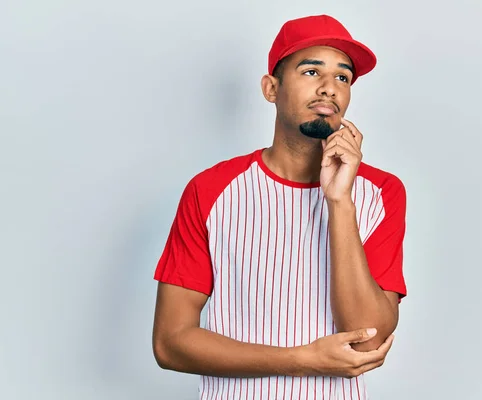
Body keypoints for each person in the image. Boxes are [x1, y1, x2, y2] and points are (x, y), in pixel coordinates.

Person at [152, 14, 408, 399]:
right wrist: (301, 359)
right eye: (310, 71)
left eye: (343, 77)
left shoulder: (381, 191)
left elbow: (367, 340)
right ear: (271, 88)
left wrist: (339, 201)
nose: (329, 88)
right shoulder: (211, 190)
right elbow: (170, 342)